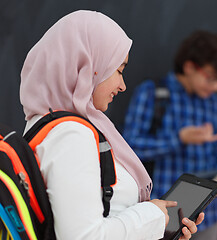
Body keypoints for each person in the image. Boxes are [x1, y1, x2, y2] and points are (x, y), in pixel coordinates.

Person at [19, 10, 204, 240]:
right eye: (118, 70)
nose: (122, 85)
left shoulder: (49, 125)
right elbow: (83, 236)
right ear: (88, 65)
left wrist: (160, 230)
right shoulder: (70, 134)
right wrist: (152, 216)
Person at [123, 30, 217, 240]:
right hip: (163, 215)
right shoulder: (152, 93)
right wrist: (179, 139)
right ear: (189, 67)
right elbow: (128, 149)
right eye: (211, 78)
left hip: (209, 215)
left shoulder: (215, 105)